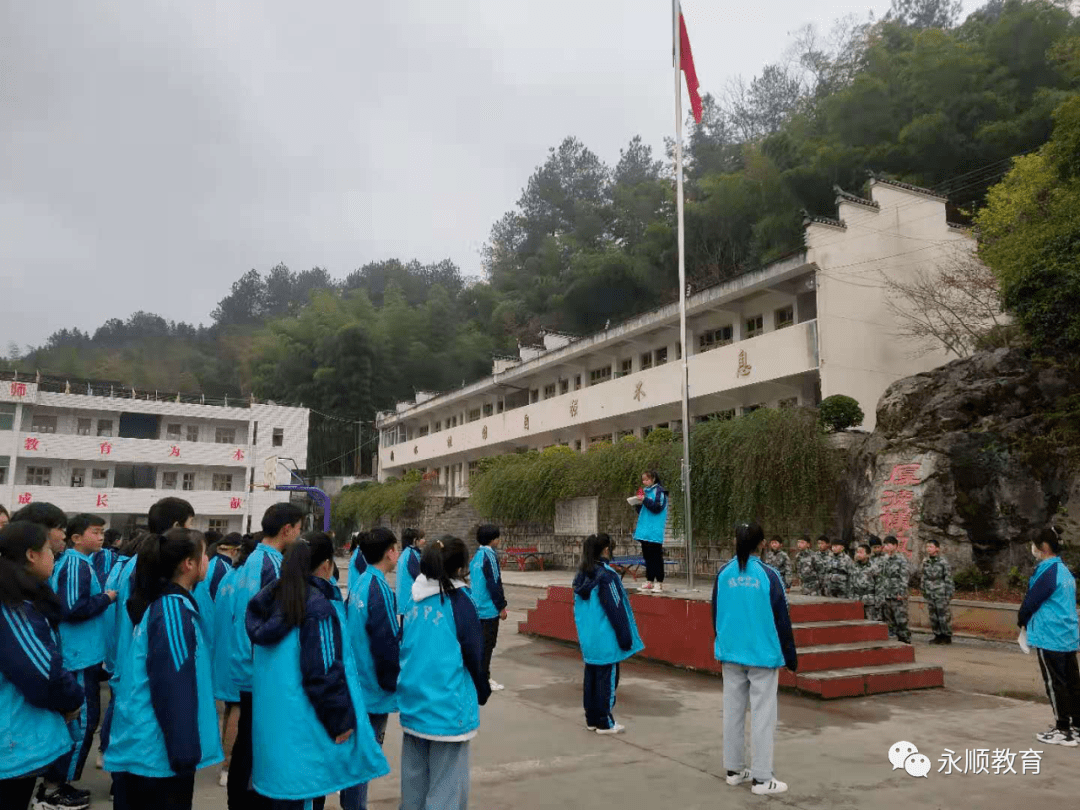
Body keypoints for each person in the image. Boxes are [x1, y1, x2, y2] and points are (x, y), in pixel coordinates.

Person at [247, 531, 389, 810]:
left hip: (275, 735)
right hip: (305, 736)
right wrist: (341, 720)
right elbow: (322, 672)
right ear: (326, 565)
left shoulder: (271, 601)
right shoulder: (317, 607)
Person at [104, 528, 223, 809]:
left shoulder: (168, 605)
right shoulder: (172, 612)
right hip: (156, 757)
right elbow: (173, 687)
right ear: (189, 564)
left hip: (152, 753)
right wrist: (183, 753)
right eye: (204, 554)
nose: (208, 560)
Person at [397, 536, 491, 810]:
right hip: (447, 707)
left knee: (414, 782)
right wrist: (482, 689)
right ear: (460, 567)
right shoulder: (460, 601)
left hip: (414, 702)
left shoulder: (412, 600)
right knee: (447, 787)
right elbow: (475, 653)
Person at [0, 521, 85, 810]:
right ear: (31, 555)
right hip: (11, 743)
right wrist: (72, 700)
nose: (55, 555)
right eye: (50, 549)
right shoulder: (12, 608)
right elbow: (42, 673)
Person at [227, 503, 304, 810]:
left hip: (245, 662)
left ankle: (239, 799)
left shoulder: (251, 559)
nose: (299, 534)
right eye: (298, 528)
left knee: (247, 741)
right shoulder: (274, 565)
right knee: (257, 744)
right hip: (260, 668)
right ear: (287, 529)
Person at [713, 522, 797, 796]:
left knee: (733, 712)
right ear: (761, 544)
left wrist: (723, 643)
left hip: (731, 653)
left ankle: (734, 770)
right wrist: (790, 656)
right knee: (763, 716)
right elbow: (782, 619)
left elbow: (715, 613)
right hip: (762, 655)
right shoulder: (769, 575)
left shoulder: (723, 574)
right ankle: (762, 778)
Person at [38, 514, 116, 807]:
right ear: (75, 538)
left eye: (102, 532)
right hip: (77, 656)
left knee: (83, 720)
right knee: (82, 722)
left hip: (84, 654)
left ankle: (59, 784)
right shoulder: (74, 565)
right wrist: (107, 598)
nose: (101, 537)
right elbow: (71, 608)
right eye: (95, 532)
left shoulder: (82, 563)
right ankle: (55, 788)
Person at [343, 528, 401, 810]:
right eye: (396, 548)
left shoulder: (360, 583)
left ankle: (350, 802)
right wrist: (393, 684)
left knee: (356, 753)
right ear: (390, 551)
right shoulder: (380, 589)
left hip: (357, 681)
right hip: (372, 688)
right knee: (366, 756)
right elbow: (387, 643)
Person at [571, 532, 644, 735]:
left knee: (591, 678)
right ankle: (605, 722)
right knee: (608, 680)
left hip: (589, 638)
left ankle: (592, 719)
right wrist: (625, 637)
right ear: (605, 550)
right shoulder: (607, 576)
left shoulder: (580, 576)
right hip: (606, 638)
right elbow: (616, 609)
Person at [1018, 527, 1080, 747]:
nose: (1033, 548)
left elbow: (1031, 601)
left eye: (1035, 544)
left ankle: (1062, 729)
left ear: (1043, 547)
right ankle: (1076, 725)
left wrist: (1022, 621)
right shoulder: (1065, 571)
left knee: (1055, 683)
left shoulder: (1047, 570)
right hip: (1067, 635)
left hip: (1049, 635)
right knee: (1072, 681)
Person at [213, 534, 258, 789]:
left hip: (225, 650)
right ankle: (229, 765)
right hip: (239, 652)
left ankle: (226, 760)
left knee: (231, 708)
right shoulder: (248, 578)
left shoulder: (229, 575)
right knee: (238, 710)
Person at [469, 524, 508, 692]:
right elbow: (494, 583)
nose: (499, 540)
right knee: (487, 646)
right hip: (488, 609)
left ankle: (478, 676)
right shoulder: (489, 556)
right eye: (498, 537)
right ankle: (483, 679)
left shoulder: (476, 556)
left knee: (480, 645)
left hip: (476, 608)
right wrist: (501, 606)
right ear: (493, 540)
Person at [632, 470, 669, 594]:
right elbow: (643, 511)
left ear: (653, 479)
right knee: (647, 556)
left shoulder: (659, 491)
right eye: (643, 480)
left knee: (656, 557)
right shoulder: (645, 492)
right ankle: (649, 580)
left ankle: (659, 582)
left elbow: (657, 508)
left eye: (647, 479)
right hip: (644, 530)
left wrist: (645, 501)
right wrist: (637, 504)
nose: (645, 482)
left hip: (654, 530)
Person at [919, 539, 954, 645]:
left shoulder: (943, 562)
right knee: (933, 615)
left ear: (937, 549)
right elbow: (923, 576)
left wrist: (949, 592)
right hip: (930, 591)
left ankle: (946, 636)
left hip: (940, 591)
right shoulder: (926, 561)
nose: (928, 549)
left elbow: (948, 577)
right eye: (927, 547)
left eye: (931, 547)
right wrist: (923, 589)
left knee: (943, 615)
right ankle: (937, 635)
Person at [879, 536, 912, 644]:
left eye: (888, 544)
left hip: (897, 593)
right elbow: (882, 576)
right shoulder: (884, 559)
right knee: (890, 619)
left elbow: (904, 577)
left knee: (901, 618)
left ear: (895, 546)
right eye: (885, 544)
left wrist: (901, 592)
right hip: (887, 593)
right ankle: (896, 640)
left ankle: (905, 639)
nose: (886, 547)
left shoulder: (901, 559)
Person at [396, 528, 425, 623]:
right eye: (420, 538)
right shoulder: (412, 555)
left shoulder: (404, 554)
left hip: (403, 600)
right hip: (410, 600)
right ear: (414, 540)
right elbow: (419, 577)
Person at [852, 544, 877, 620]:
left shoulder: (874, 567)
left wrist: (878, 601)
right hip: (856, 600)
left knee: (870, 624)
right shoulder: (854, 566)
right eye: (857, 552)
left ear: (868, 554)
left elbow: (880, 585)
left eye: (861, 552)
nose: (858, 554)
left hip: (869, 601)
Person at [347, 531, 371, 600]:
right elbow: (365, 573)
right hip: (357, 592)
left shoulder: (358, 552)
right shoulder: (360, 554)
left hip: (354, 591)